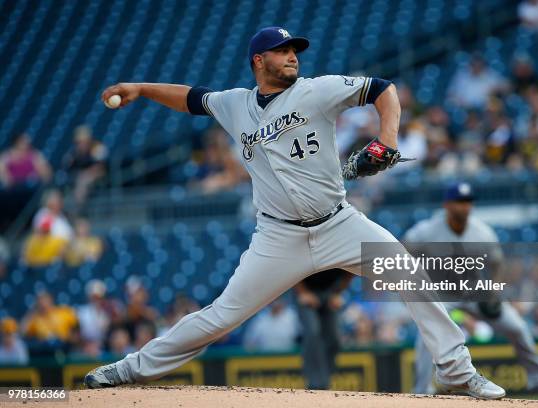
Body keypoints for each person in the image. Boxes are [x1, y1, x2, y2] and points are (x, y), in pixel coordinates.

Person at [85, 26, 505, 399]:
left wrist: (387, 140)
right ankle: (127, 369)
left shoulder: (316, 89)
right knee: (219, 317)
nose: (292, 56)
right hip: (278, 237)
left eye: (294, 50)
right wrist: (141, 88)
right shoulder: (234, 104)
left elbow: (382, 88)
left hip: (339, 223)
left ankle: (457, 372)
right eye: (283, 50)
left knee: (411, 275)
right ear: (258, 60)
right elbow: (190, 98)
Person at [403, 182, 538, 400]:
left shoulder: (481, 231)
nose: (464, 207)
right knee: (427, 337)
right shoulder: (427, 230)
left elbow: (497, 264)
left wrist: (492, 290)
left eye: (468, 202)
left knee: (517, 328)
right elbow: (402, 251)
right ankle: (422, 389)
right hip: (442, 295)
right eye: (459, 202)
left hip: (474, 293)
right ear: (447, 204)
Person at [294, 268, 352, 389]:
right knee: (312, 332)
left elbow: (353, 271)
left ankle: (326, 380)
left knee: (334, 337)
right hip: (305, 287)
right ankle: (313, 384)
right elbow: (289, 268)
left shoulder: (342, 250)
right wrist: (302, 292)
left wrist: (338, 292)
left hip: (329, 291)